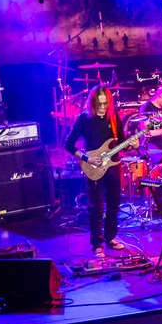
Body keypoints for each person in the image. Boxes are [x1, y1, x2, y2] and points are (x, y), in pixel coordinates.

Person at [64, 85, 140, 257]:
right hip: (93, 167)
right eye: (99, 104)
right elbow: (68, 145)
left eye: (105, 104)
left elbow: (122, 143)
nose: (103, 107)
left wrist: (133, 145)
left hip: (113, 167)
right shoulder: (84, 119)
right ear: (92, 103)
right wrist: (86, 158)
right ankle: (97, 244)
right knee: (95, 208)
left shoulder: (113, 117)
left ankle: (110, 237)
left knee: (114, 205)